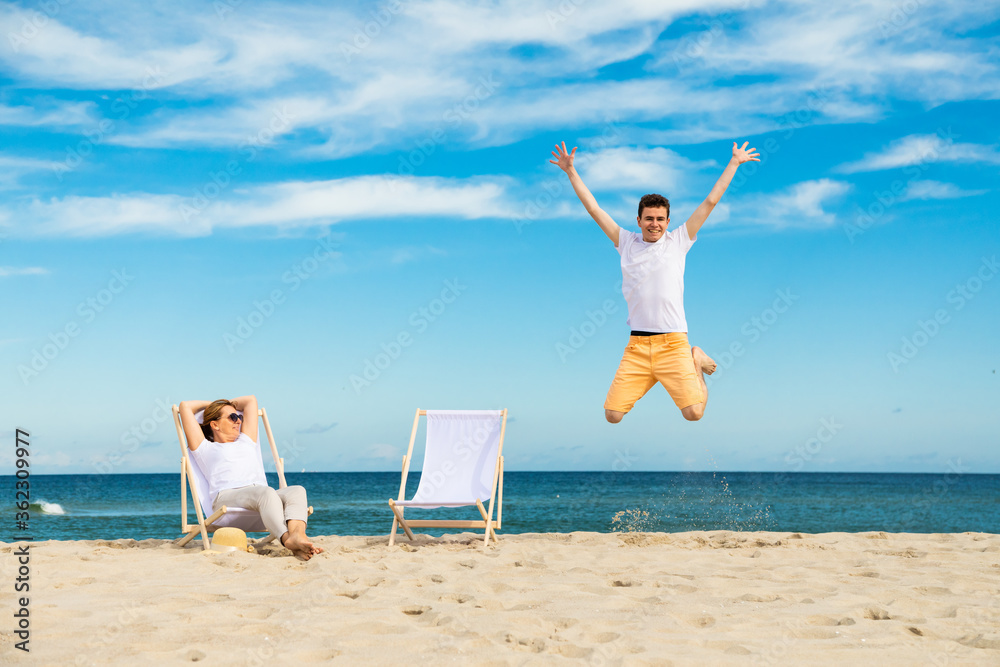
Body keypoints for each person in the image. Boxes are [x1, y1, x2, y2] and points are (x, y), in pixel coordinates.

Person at [550, 140, 760, 423]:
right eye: (649, 218)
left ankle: (695, 359)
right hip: (637, 347)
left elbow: (710, 202)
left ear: (668, 221)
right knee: (612, 415)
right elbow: (595, 210)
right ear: (638, 220)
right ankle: (680, 365)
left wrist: (734, 163)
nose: (654, 224)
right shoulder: (625, 242)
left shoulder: (679, 241)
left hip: (674, 344)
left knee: (694, 413)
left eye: (660, 219)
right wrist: (570, 171)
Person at [178, 395, 323, 561]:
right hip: (226, 499)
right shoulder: (204, 448)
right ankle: (286, 539)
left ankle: (298, 536)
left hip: (262, 500)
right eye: (232, 417)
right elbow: (185, 407)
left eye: (239, 416)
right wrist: (215, 405)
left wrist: (226, 405)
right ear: (214, 424)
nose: (238, 421)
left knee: (297, 491)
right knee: (266, 493)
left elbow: (251, 401)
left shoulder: (246, 440)